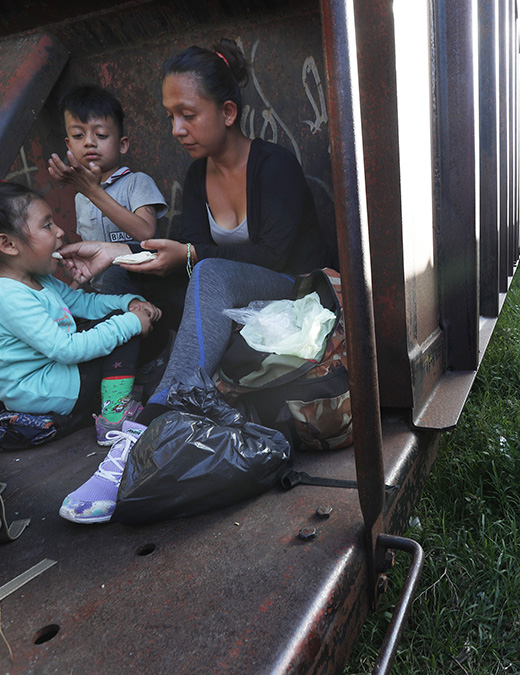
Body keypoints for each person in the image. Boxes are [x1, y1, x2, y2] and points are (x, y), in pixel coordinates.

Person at [57, 38, 332, 524]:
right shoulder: (196, 172)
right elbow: (184, 252)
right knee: (125, 273)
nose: (176, 129)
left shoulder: (274, 165)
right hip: (224, 288)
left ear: (227, 111)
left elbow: (271, 255)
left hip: (290, 287)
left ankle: (150, 427)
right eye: (169, 117)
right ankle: (118, 403)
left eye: (187, 114)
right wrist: (113, 252)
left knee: (207, 269)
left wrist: (188, 257)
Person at [0, 170, 161, 452]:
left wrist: (128, 304)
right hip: (44, 391)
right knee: (125, 331)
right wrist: (131, 322)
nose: (60, 231)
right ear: (8, 244)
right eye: (47, 226)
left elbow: (84, 304)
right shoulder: (3, 295)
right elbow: (66, 350)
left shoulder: (34, 277)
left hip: (57, 377)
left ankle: (111, 395)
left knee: (121, 323)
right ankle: (114, 418)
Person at [47, 85, 167, 295]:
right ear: (68, 144)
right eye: (78, 135)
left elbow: (145, 233)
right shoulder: (80, 198)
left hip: (141, 288)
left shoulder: (136, 183)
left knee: (115, 275)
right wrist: (70, 293)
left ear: (122, 144)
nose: (89, 142)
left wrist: (95, 192)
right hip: (102, 295)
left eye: (101, 135)